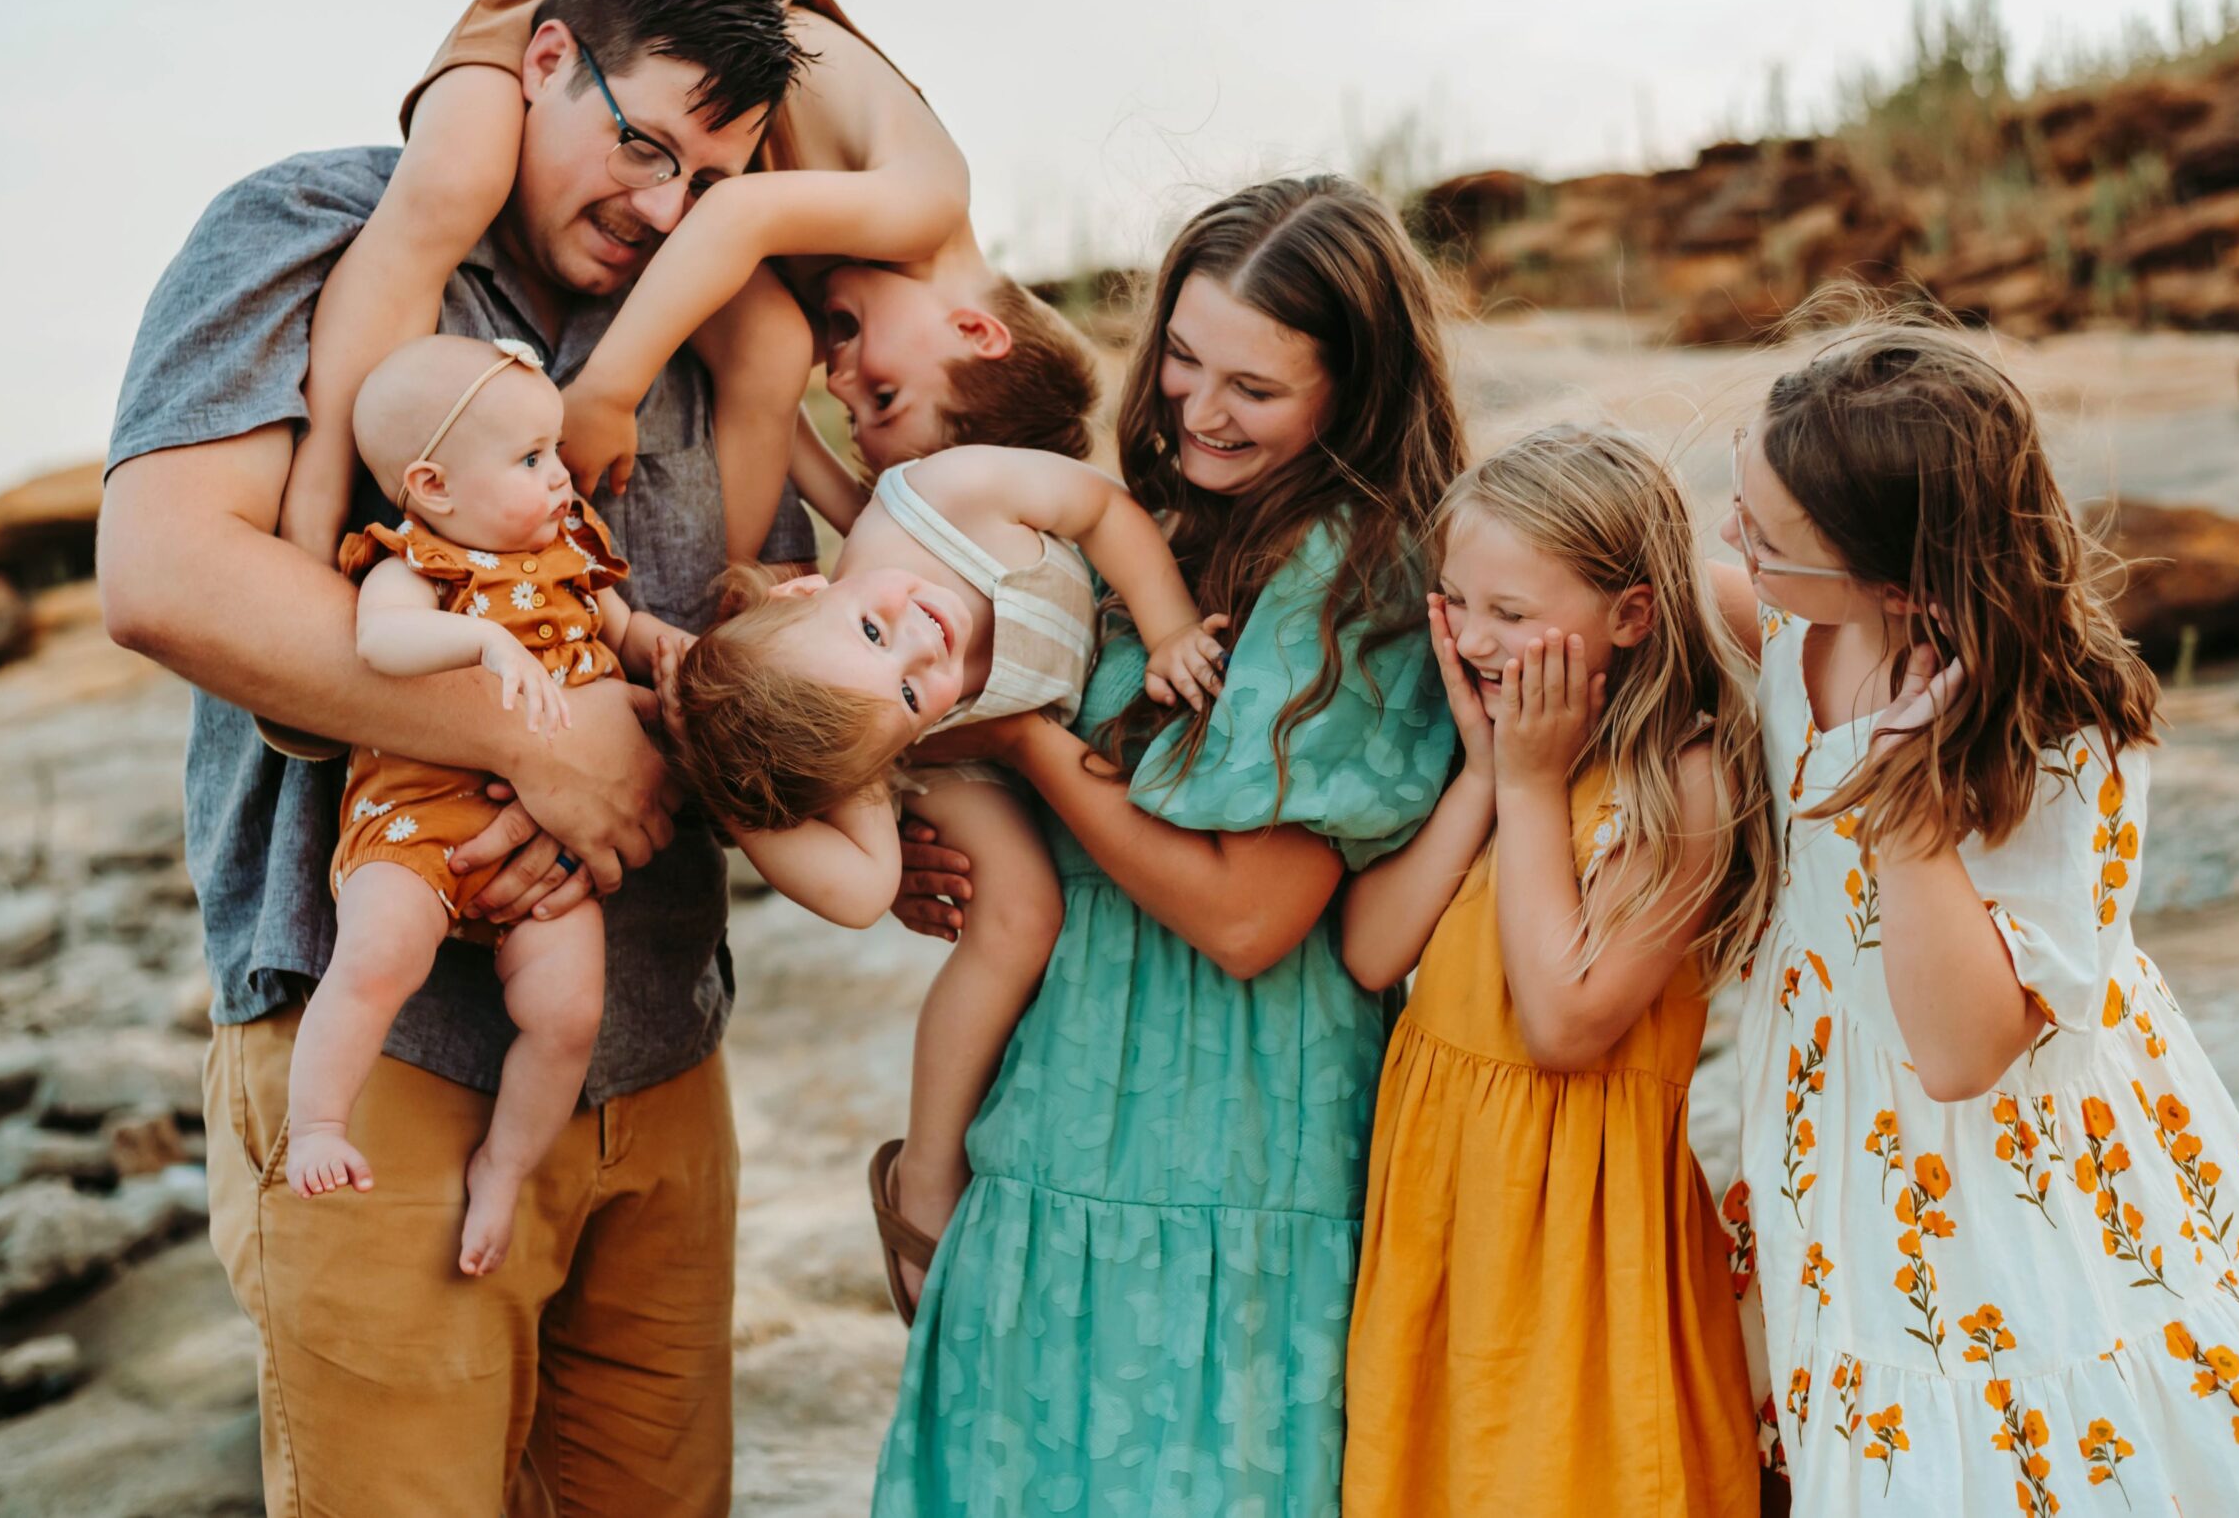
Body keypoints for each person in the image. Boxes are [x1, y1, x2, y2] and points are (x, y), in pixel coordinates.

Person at [98, 0, 814, 1518]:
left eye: (709, 181)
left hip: (656, 1058)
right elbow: (164, 576)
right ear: (542, 57)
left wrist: (690, 747)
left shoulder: (703, 318)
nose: (660, 209)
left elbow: (754, 656)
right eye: (640, 146)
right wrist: (542, 739)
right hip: (384, 1059)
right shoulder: (311, 226)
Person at [869, 175, 1468, 1516]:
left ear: (1355, 394)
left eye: (1254, 387)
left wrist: (1027, 745)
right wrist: (932, 830)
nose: (1199, 409)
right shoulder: (1130, 520)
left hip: (1245, 1158)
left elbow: (1249, 919)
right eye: (1183, 359)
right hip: (1057, 1129)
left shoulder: (1362, 581)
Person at [1722, 315, 2239, 1512]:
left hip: (2001, 1168)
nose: (1733, 543)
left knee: (2023, 1425)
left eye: (1767, 536)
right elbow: (1685, 577)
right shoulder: (1805, 630)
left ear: (1900, 579)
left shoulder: (2061, 746)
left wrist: (1907, 806)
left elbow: (1960, 1053)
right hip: (1844, 1142)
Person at [277, 0, 1099, 570]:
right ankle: (316, 522)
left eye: (857, 409)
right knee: (454, 185)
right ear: (976, 331)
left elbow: (772, 391)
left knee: (773, 348)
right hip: (626, 39)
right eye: (884, 394)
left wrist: (896, 523)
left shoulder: (851, 291)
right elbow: (735, 213)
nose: (842, 380)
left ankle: (725, 605)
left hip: (692, 146)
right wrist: (607, 392)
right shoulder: (928, 202)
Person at [659, 441, 1228, 1317]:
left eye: (874, 631)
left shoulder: (942, 499)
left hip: (989, 719)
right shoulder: (879, 712)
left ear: (809, 587)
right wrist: (735, 797)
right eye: (911, 689)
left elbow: (1102, 509)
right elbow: (859, 889)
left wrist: (1171, 629)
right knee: (1019, 915)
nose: (925, 648)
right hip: (968, 748)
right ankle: (925, 1173)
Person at [1337, 425, 1773, 1516]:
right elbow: (1371, 949)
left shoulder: (1682, 783)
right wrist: (1488, 775)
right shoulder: (1506, 751)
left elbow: (1566, 1027)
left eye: (1513, 615)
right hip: (1450, 1214)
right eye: (1458, 602)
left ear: (1630, 616)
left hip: (1579, 1237)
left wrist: (1529, 790)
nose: (1475, 640)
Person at [286, 336, 690, 1278]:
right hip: (419, 818)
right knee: (378, 956)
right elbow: (382, 644)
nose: (561, 477)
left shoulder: (572, 549)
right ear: (431, 486)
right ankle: (316, 1125)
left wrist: (686, 663)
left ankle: (504, 1169)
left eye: (554, 451)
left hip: (550, 845)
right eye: (530, 460)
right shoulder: (413, 565)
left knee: (567, 1013)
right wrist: (482, 645)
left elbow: (627, 634)